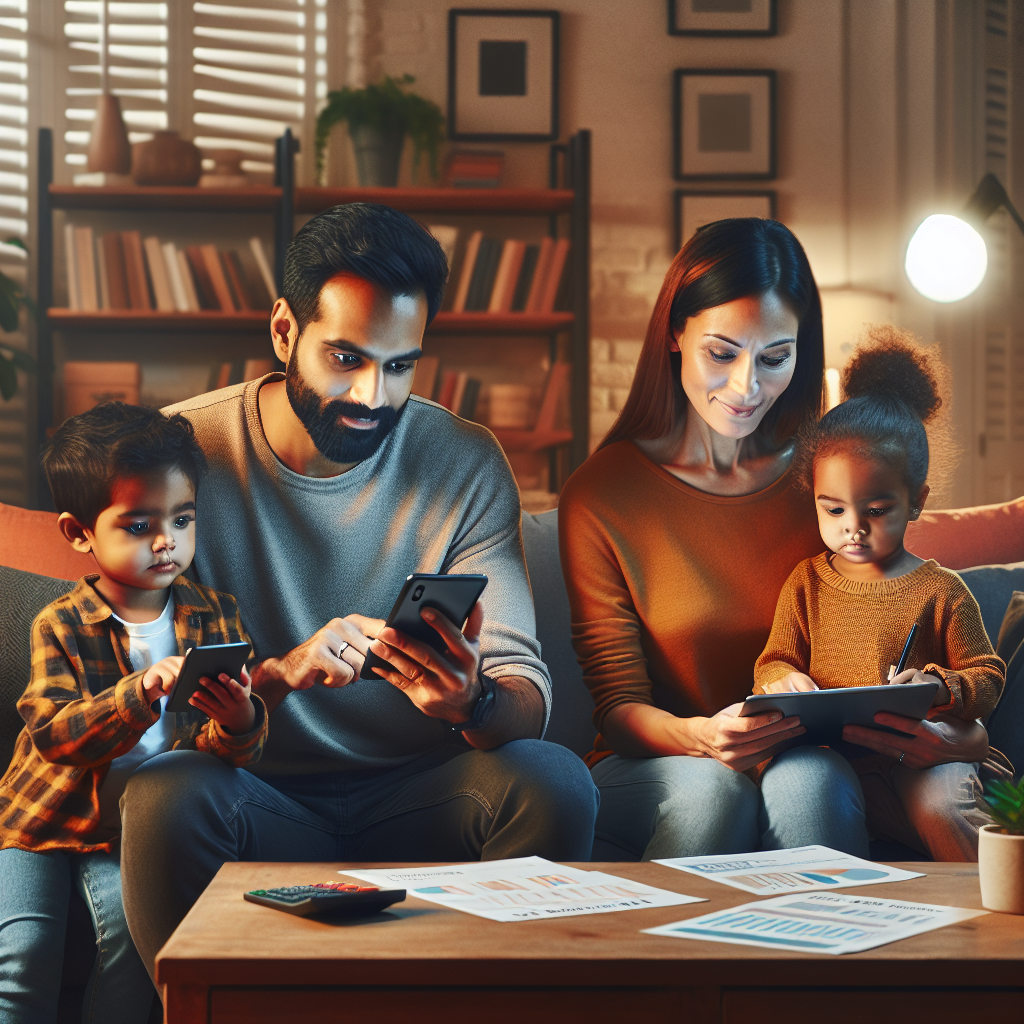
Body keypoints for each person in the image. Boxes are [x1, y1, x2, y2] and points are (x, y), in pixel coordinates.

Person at [120, 203, 599, 974]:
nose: (375, 396)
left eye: (400, 365)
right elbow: (148, 714)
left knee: (555, 781)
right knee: (165, 794)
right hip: (255, 793)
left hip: (424, 795)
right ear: (284, 333)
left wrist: (470, 702)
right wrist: (276, 679)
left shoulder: (465, 461)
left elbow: (527, 695)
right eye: (347, 359)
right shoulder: (180, 460)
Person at [558, 217, 991, 862]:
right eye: (722, 353)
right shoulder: (603, 495)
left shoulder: (832, 474)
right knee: (715, 793)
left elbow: (922, 622)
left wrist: (965, 736)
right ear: (676, 333)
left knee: (808, 782)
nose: (746, 388)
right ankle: (674, 964)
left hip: (819, 757)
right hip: (673, 760)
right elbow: (619, 708)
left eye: (775, 358)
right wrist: (704, 737)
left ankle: (839, 959)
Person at [0, 403, 266, 1024]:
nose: (167, 540)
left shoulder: (215, 617)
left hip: (131, 831)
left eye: (181, 518)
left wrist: (239, 723)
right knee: (24, 953)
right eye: (140, 525)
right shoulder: (60, 623)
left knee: (133, 947)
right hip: (38, 821)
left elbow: (225, 763)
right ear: (80, 532)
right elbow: (54, 735)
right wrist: (140, 691)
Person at [753, 330, 1004, 860]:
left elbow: (987, 675)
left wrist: (938, 687)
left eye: (876, 510)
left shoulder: (941, 590)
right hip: (840, 763)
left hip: (929, 760)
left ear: (916, 502)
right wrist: (782, 678)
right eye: (834, 509)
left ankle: (993, 926)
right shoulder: (806, 583)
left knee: (943, 810)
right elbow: (774, 659)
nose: (854, 529)